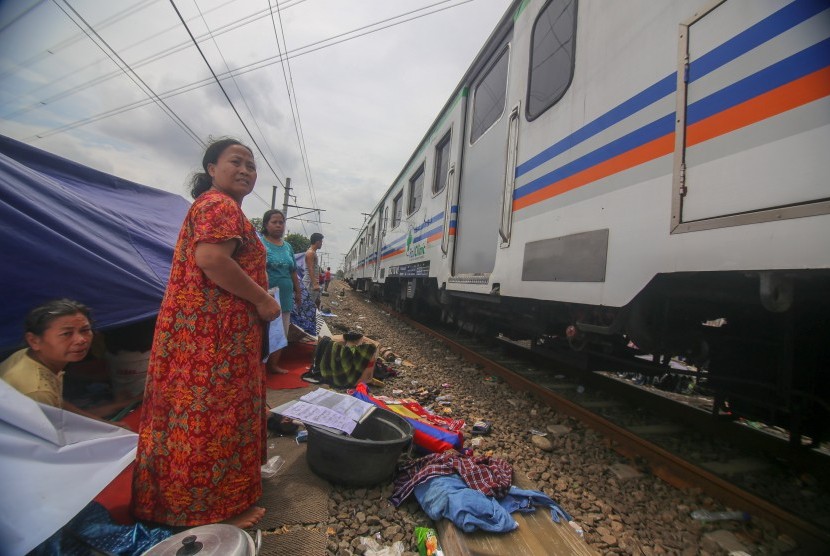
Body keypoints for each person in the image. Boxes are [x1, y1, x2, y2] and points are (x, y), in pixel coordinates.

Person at [131, 138, 280, 529]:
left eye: (251, 164)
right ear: (212, 168)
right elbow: (212, 259)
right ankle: (211, 511)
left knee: (188, 416)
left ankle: (180, 503)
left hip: (200, 334)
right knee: (212, 418)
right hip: (211, 339)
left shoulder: (215, 206)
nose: (247, 169)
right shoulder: (220, 205)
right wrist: (264, 301)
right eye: (237, 161)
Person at [0, 299, 136, 427]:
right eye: (67, 334)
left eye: (85, 330)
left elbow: (59, 405)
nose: (81, 340)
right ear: (34, 341)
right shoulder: (36, 390)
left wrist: (108, 419)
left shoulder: (30, 356)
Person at [259, 209, 301, 374]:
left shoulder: (288, 246)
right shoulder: (261, 243)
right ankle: (259, 365)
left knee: (281, 330)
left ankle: (274, 364)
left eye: (281, 222)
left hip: (284, 295)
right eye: (274, 222)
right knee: (264, 330)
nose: (278, 225)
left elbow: (293, 271)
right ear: (266, 225)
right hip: (266, 294)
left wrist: (297, 292)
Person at [304, 233, 323, 308]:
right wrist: (315, 284)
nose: (321, 244)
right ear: (317, 242)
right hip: (310, 283)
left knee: (312, 304)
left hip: (312, 282)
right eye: (321, 242)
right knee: (308, 305)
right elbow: (310, 269)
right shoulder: (310, 253)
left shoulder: (313, 252)